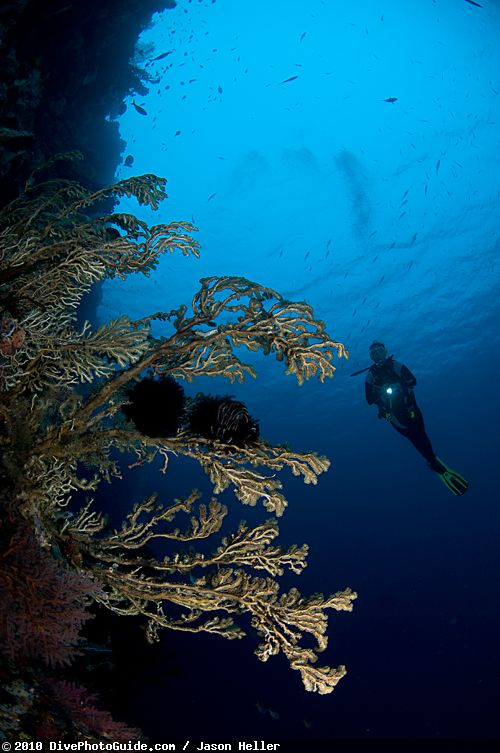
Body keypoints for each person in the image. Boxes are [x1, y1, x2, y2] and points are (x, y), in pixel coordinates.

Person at [364, 341, 468, 496]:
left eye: (379, 350)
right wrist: (382, 393)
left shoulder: (396, 365)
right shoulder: (370, 375)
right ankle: (431, 460)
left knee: (421, 434)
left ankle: (432, 460)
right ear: (371, 357)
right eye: (373, 353)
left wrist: (399, 385)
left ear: (385, 351)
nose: (377, 354)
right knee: (413, 438)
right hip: (393, 416)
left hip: (410, 408)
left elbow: (413, 380)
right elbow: (369, 400)